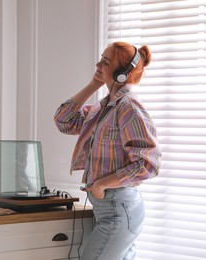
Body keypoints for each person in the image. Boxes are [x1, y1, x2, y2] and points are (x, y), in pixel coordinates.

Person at [54, 42, 162, 260]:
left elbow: (148, 163)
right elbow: (63, 121)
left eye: (105, 61)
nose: (97, 65)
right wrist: (94, 84)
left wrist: (102, 184)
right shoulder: (103, 107)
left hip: (119, 210)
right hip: (110, 209)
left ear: (122, 73)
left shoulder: (129, 108)